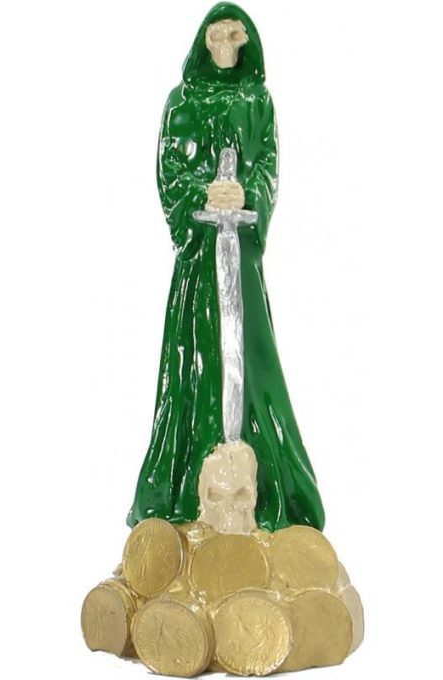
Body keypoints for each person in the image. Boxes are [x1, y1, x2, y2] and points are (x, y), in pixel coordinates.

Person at [127, 3, 325, 532]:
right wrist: (201, 193)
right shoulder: (182, 102)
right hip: (199, 261)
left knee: (249, 356)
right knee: (194, 354)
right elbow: (170, 169)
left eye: (235, 35)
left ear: (246, 42)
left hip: (240, 257)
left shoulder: (257, 101)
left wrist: (247, 193)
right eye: (217, 35)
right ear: (203, 41)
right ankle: (188, 485)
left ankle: (262, 491)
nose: (225, 45)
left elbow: (267, 167)